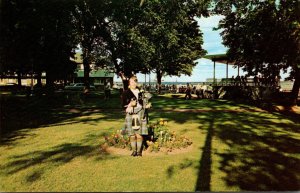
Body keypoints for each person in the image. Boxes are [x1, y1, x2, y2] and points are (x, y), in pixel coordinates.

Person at [122, 75, 151, 157]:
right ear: (129, 83)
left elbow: (146, 102)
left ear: (136, 82)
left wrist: (148, 105)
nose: (133, 83)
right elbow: (123, 105)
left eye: (135, 81)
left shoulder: (141, 92)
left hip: (141, 114)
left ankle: (139, 152)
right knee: (131, 134)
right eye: (131, 82)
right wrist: (130, 104)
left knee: (139, 134)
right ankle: (134, 151)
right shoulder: (125, 93)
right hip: (130, 114)